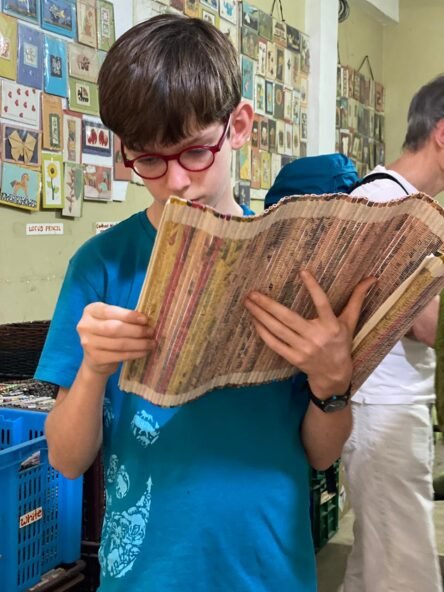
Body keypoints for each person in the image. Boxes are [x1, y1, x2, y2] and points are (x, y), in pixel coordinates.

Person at [35, 15, 373, 592]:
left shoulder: (294, 264)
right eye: (148, 160)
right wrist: (92, 370)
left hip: (269, 570)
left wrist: (332, 384)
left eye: (194, 152)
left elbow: (321, 456)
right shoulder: (102, 266)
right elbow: (66, 459)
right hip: (147, 575)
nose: (175, 182)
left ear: (237, 126)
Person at [342, 75, 444, 592]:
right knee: (407, 574)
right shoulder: (387, 202)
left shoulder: (407, 202)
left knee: (375, 566)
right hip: (383, 408)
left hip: (393, 403)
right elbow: (427, 325)